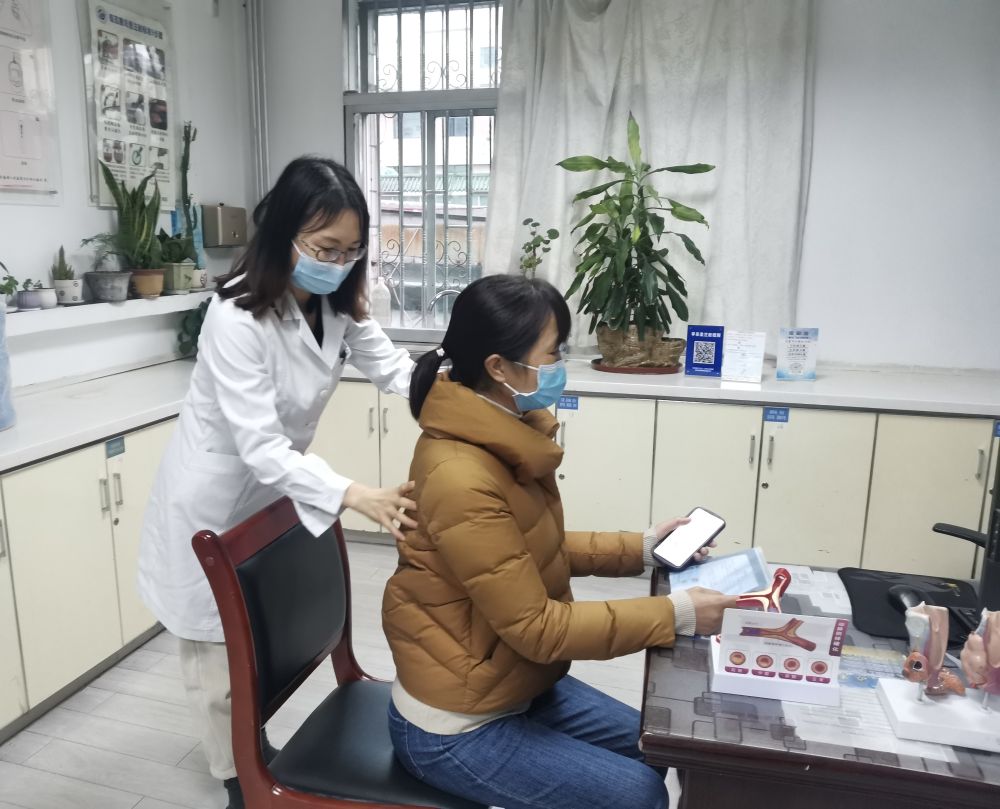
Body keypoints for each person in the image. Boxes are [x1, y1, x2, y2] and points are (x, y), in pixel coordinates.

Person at [382, 275, 738, 809]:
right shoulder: (461, 474)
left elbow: (527, 547)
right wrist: (677, 614)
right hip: (456, 720)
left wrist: (642, 547)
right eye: (553, 353)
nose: (561, 364)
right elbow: (538, 629)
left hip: (509, 681)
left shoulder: (504, 430)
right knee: (639, 794)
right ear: (499, 367)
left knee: (659, 744)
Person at [138, 156, 417, 809]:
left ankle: (253, 748)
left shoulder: (336, 303)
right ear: (284, 233)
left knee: (259, 638)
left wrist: (464, 392)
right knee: (216, 655)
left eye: (351, 250)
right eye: (325, 248)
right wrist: (356, 495)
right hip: (212, 499)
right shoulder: (236, 315)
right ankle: (239, 780)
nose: (338, 262)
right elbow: (260, 446)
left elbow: (395, 369)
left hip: (271, 494)